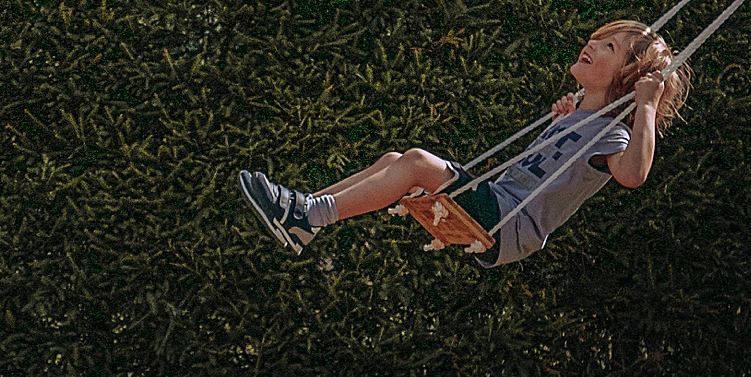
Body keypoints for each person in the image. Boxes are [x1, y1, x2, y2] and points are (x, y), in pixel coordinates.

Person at [237, 20, 691, 267]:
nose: (593, 44)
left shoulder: (614, 132)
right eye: (599, 37)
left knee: (416, 162)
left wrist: (647, 107)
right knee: (393, 160)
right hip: (496, 206)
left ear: (628, 82)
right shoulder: (577, 117)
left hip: (508, 223)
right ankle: (304, 214)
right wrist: (564, 121)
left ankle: (305, 216)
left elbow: (632, 176)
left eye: (609, 48)